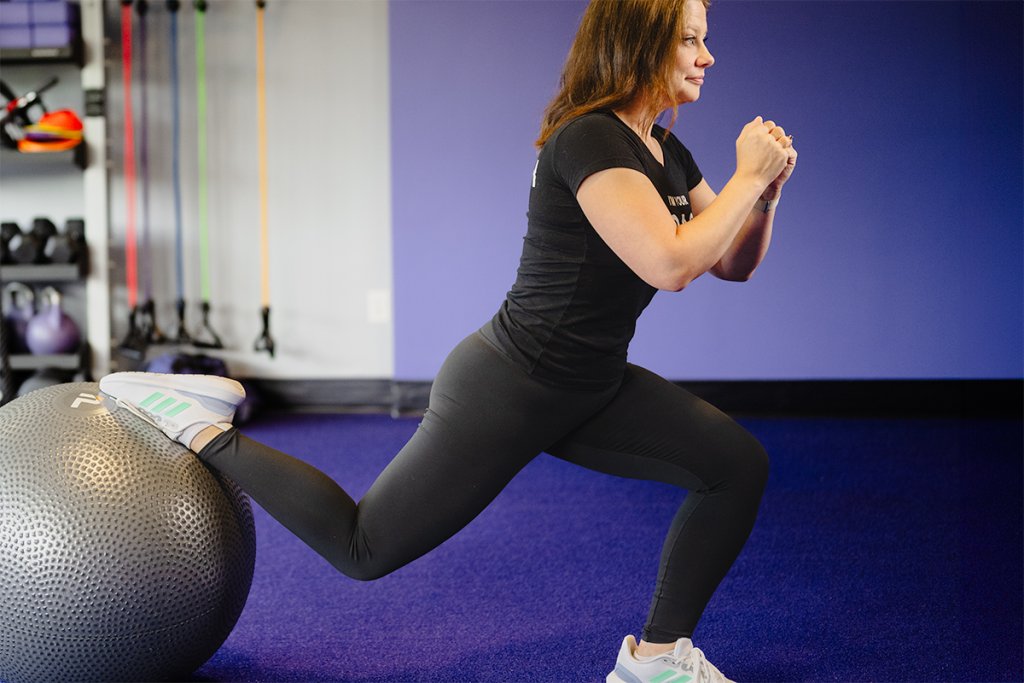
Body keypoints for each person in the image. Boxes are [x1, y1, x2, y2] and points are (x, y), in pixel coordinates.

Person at [99, 0, 797, 680]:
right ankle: (198, 424)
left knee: (736, 464)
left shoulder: (665, 150)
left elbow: (731, 261)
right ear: (640, 39)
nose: (706, 56)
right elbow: (672, 262)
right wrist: (747, 176)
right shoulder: (590, 139)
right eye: (690, 39)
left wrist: (763, 196)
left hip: (592, 384)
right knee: (363, 546)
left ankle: (655, 659)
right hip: (512, 384)